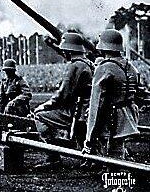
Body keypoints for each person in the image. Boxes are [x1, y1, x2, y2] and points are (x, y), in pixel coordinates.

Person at [33, 32, 94, 166]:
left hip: (78, 112)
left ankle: (53, 156)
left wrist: (44, 106)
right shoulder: (87, 63)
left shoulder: (75, 66)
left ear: (68, 50)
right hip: (86, 109)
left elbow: (63, 94)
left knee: (40, 116)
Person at [83, 29, 140, 160]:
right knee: (118, 147)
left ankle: (114, 171)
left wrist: (89, 139)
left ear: (103, 47)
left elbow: (96, 103)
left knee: (109, 152)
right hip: (129, 115)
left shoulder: (104, 67)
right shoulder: (130, 66)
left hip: (110, 118)